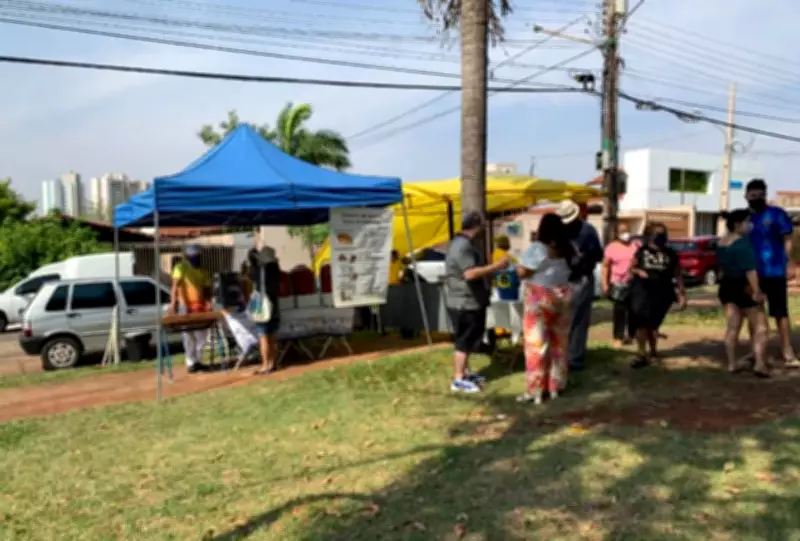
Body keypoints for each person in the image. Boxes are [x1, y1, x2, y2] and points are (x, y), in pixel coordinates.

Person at [444, 211, 509, 393]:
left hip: (466, 300)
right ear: (477, 226)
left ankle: (464, 373)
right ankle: (458, 379)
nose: (484, 230)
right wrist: (496, 266)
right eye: (482, 226)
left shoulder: (460, 243)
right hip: (465, 302)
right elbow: (470, 274)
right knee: (464, 341)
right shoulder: (463, 246)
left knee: (469, 339)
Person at [515, 214, 573, 405]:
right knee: (560, 344)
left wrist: (517, 266)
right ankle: (556, 385)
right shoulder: (568, 247)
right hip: (563, 296)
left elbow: (523, 271)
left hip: (539, 297)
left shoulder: (538, 248)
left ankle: (536, 390)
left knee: (536, 346)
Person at [745, 178, 797, 366]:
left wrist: (789, 263)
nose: (756, 198)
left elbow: (788, 240)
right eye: (753, 195)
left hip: (775, 270)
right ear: (746, 196)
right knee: (754, 312)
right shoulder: (744, 218)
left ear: (765, 195)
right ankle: (756, 350)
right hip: (752, 273)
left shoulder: (777, 214)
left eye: (760, 195)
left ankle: (787, 350)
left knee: (780, 312)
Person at [717, 209, 769, 376]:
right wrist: (757, 291)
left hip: (727, 286)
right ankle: (759, 363)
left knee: (733, 327)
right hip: (744, 286)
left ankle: (732, 363)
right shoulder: (742, 245)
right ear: (738, 224)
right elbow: (750, 271)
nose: (749, 225)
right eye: (747, 222)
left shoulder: (721, 242)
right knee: (761, 327)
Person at [629, 222, 687, 368]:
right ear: (650, 236)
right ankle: (641, 354)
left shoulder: (671, 253)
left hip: (662, 292)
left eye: (663, 234)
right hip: (642, 290)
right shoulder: (642, 251)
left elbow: (678, 274)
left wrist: (681, 294)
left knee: (653, 325)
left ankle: (653, 351)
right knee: (641, 322)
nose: (661, 237)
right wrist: (639, 271)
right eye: (658, 234)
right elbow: (631, 268)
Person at [555, 200, 603, 371]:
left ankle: (572, 358)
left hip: (577, 277)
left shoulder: (586, 231)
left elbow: (598, 255)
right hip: (568, 278)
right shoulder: (572, 230)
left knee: (574, 319)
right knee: (571, 319)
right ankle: (568, 356)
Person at [169, 245, 212, 374]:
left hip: (200, 306)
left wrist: (208, 303)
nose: (196, 258)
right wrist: (173, 304)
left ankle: (198, 361)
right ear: (187, 256)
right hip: (185, 306)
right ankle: (191, 362)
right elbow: (175, 287)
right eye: (194, 256)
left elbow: (207, 289)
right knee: (188, 336)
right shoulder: (180, 267)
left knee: (201, 336)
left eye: (198, 256)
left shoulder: (203, 271)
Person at [602, 222, 639, 346]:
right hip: (618, 283)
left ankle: (631, 335)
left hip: (633, 282)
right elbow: (605, 266)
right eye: (622, 232)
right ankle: (618, 337)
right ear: (617, 234)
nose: (626, 234)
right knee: (619, 310)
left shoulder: (635, 245)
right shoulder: (611, 247)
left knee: (634, 310)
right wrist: (605, 284)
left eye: (627, 231)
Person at [248, 245, 282, 375]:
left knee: (263, 336)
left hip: (263, 306)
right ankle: (273, 363)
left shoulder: (259, 271)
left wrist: (253, 256)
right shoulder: (276, 270)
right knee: (272, 336)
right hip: (274, 304)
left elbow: (250, 273)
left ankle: (265, 365)